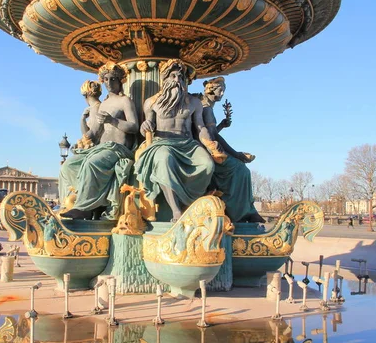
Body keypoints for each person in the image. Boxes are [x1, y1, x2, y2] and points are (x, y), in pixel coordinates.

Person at [134, 59, 214, 221]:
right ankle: (176, 210)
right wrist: (145, 126)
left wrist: (211, 144)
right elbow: (147, 125)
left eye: (180, 77)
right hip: (162, 143)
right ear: (165, 79)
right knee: (164, 160)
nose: (177, 81)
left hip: (188, 144)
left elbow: (200, 128)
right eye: (173, 76)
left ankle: (190, 203)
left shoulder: (194, 103)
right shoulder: (152, 102)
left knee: (208, 165)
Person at [60, 63, 138, 220]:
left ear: (120, 81)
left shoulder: (125, 101)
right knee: (68, 166)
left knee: (92, 164)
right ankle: (83, 199)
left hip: (117, 148)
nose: (109, 83)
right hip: (100, 148)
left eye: (113, 79)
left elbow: (134, 126)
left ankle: (85, 208)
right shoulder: (103, 104)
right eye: (106, 79)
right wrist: (83, 123)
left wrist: (112, 120)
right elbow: (94, 133)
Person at [197, 77, 265, 223]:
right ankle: (239, 212)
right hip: (205, 148)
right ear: (210, 89)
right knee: (241, 169)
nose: (222, 94)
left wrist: (221, 125)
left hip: (206, 145)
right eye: (219, 90)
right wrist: (236, 154)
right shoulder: (206, 107)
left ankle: (245, 210)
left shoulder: (205, 105)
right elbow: (212, 136)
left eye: (223, 91)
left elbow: (211, 132)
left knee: (241, 169)